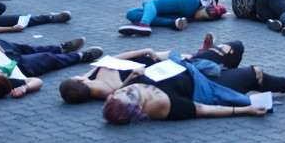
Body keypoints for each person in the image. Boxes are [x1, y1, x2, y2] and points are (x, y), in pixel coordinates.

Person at [102, 52, 285, 124]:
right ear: (139, 108)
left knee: (234, 48)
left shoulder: (126, 89)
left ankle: (218, 61)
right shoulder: (164, 105)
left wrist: (128, 80)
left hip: (189, 67)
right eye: (128, 93)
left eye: (121, 91)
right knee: (254, 74)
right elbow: (203, 110)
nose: (125, 89)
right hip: (206, 86)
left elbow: (117, 90)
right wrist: (244, 110)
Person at [60, 40, 246, 103]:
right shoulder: (108, 90)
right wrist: (148, 53)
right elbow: (117, 91)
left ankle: (209, 58)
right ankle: (217, 64)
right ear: (80, 82)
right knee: (233, 49)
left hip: (155, 59)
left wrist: (147, 51)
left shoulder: (89, 79)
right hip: (167, 66)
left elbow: (115, 58)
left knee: (209, 57)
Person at [0, 38, 103, 100]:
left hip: (0, 49)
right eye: (3, 75)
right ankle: (80, 56)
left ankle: (61, 47)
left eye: (0, 72)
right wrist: (25, 87)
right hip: (20, 66)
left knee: (25, 47)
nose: (4, 72)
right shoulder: (4, 81)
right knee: (47, 59)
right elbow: (37, 81)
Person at [119, 0, 226, 35]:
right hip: (187, 13)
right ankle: (173, 23)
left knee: (149, 3)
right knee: (132, 13)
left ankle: (144, 25)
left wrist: (215, 2)